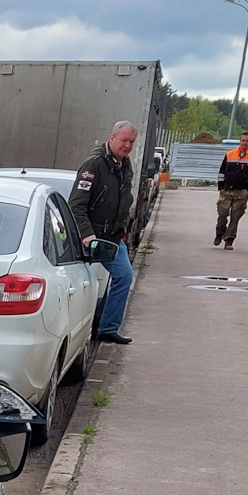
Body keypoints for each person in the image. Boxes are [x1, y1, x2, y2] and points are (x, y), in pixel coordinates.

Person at [69, 120, 139, 345]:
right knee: (79, 285)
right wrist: (87, 235)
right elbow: (76, 205)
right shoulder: (94, 165)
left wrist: (123, 230)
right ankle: (75, 331)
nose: (127, 145)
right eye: (123, 140)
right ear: (112, 138)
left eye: (131, 142)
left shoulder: (125, 165)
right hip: (91, 238)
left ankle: (107, 328)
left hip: (112, 237)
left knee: (124, 275)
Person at [215, 130, 248, 250]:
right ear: (240, 141)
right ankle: (220, 233)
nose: (244, 143)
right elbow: (222, 171)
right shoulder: (230, 154)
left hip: (241, 192)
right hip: (227, 191)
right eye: (243, 140)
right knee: (222, 215)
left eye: (247, 141)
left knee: (235, 218)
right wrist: (221, 186)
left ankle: (229, 240)